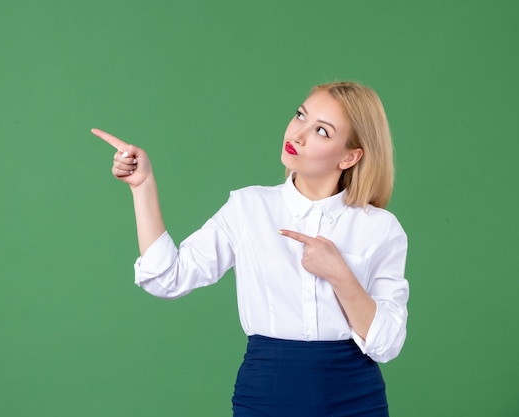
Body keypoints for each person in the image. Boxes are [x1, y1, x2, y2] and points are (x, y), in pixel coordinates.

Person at [92, 81, 409, 417]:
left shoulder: (381, 228)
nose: (297, 134)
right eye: (301, 115)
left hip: (356, 397)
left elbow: (387, 343)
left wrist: (340, 275)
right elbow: (167, 278)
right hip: (267, 392)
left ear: (350, 156)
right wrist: (142, 188)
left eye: (321, 130)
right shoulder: (247, 208)